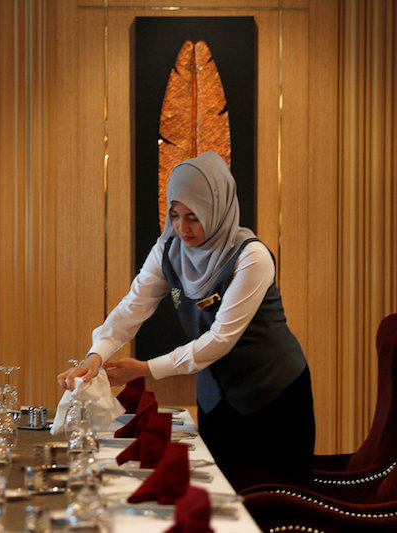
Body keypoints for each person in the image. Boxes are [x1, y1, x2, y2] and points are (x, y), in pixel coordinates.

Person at [57, 151, 315, 489]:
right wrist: (97, 354)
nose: (182, 227)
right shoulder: (169, 248)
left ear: (217, 209)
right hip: (216, 397)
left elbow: (221, 339)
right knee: (219, 495)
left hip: (273, 398)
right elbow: (135, 304)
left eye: (193, 216)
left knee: (274, 504)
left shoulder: (251, 257)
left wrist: (146, 369)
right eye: (174, 214)